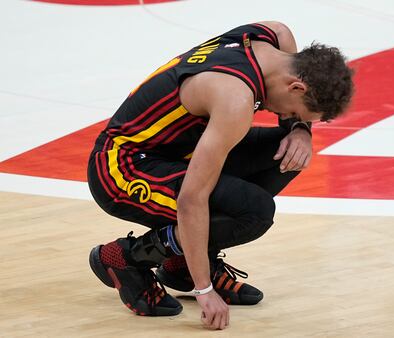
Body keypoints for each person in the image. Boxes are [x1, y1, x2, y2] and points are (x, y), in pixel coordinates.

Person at [87, 21, 354, 330]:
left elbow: (284, 39)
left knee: (282, 154)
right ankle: (125, 257)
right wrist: (205, 291)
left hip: (176, 155)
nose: (288, 118)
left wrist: (299, 130)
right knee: (254, 212)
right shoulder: (234, 98)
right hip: (122, 168)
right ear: (296, 87)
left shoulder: (274, 37)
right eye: (294, 114)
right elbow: (192, 199)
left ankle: (181, 267)